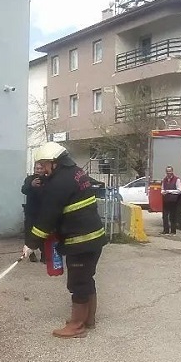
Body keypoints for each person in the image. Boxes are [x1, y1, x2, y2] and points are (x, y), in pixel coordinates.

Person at [21, 142, 108, 338]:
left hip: (81, 241)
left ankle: (77, 326)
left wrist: (31, 243)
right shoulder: (75, 172)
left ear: (54, 162)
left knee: (78, 282)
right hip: (92, 238)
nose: (42, 168)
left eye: (44, 164)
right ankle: (88, 320)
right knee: (86, 279)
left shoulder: (60, 182)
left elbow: (48, 216)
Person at [21, 162, 45, 262]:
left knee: (44, 233)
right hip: (31, 211)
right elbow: (24, 190)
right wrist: (31, 185)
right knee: (29, 233)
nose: (38, 170)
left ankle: (45, 255)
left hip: (43, 211)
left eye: (41, 168)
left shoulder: (49, 180)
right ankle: (31, 254)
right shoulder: (29, 179)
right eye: (37, 168)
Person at [160, 166, 181, 235]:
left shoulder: (177, 179)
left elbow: (179, 190)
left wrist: (169, 191)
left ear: (172, 171)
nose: (168, 173)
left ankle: (173, 231)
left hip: (173, 200)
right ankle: (165, 231)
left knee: (172, 216)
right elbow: (162, 189)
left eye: (170, 171)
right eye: (167, 171)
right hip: (166, 200)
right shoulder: (164, 180)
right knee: (164, 216)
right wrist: (163, 192)